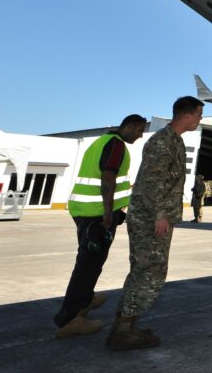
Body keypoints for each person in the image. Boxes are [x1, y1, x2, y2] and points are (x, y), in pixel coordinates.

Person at [106, 96, 203, 350]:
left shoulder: (174, 141)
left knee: (144, 271)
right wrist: (160, 214)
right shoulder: (162, 142)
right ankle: (123, 331)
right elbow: (153, 181)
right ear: (187, 115)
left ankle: (125, 326)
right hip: (150, 218)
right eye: (199, 114)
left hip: (154, 217)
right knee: (150, 273)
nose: (200, 119)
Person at [53, 114, 146, 338]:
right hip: (97, 215)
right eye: (139, 130)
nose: (141, 135)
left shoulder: (101, 141)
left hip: (84, 211)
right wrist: (107, 214)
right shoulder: (116, 145)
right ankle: (71, 319)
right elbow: (107, 177)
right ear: (129, 126)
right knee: (88, 265)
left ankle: (86, 298)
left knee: (90, 261)